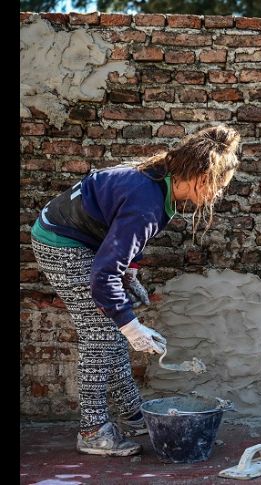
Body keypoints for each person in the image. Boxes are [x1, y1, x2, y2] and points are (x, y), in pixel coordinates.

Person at [30, 125, 241, 456]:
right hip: (61, 242)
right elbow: (103, 276)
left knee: (110, 331)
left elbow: (122, 233)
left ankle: (132, 415)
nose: (217, 195)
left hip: (83, 238)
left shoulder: (161, 180)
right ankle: (93, 431)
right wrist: (131, 327)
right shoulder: (147, 201)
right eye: (217, 187)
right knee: (100, 333)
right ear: (199, 175)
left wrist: (130, 275)